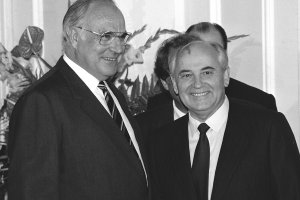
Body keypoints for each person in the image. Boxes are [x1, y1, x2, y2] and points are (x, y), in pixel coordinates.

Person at [8, 0, 148, 199]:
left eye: (121, 37)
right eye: (106, 36)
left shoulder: (112, 94)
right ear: (74, 37)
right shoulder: (42, 102)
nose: (118, 48)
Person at [147, 40, 300, 200]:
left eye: (207, 73)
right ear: (175, 84)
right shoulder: (160, 143)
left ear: (226, 76)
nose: (197, 84)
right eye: (186, 75)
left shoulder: (268, 128)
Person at [147, 22, 277, 111]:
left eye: (213, 48)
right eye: (196, 47)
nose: (204, 54)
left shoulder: (260, 103)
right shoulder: (158, 107)